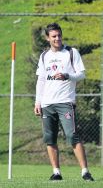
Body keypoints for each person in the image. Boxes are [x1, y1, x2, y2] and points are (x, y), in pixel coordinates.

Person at [34, 23, 94, 181]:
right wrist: (38, 102)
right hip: (47, 104)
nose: (57, 39)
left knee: (72, 135)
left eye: (59, 35)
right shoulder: (44, 56)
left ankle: (85, 172)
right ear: (48, 38)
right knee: (50, 138)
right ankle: (56, 172)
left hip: (65, 102)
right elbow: (41, 80)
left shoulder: (71, 52)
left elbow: (81, 74)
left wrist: (68, 76)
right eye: (53, 36)